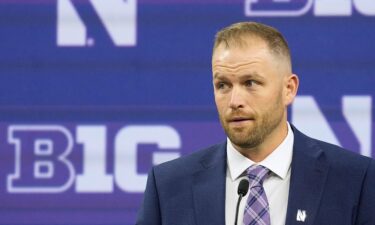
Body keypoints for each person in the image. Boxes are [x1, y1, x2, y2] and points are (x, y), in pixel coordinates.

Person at [136, 22, 375, 225]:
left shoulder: (355, 179)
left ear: (288, 89)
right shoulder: (168, 185)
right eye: (223, 85)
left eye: (250, 83)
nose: (235, 101)